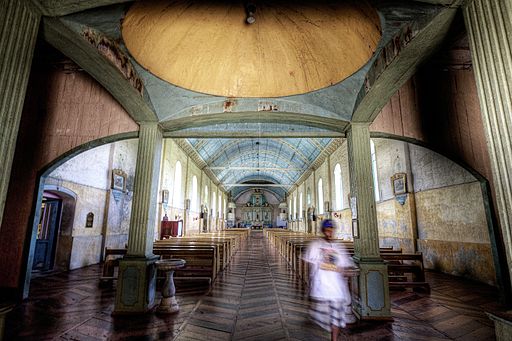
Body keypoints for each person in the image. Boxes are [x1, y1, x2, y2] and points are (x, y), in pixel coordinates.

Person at [304, 219, 355, 341]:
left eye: (331, 230)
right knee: (324, 318)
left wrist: (347, 271)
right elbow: (308, 263)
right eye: (327, 230)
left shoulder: (339, 246)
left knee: (335, 319)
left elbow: (345, 265)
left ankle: (334, 339)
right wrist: (309, 284)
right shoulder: (315, 245)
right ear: (323, 231)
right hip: (321, 290)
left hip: (337, 290)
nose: (329, 233)